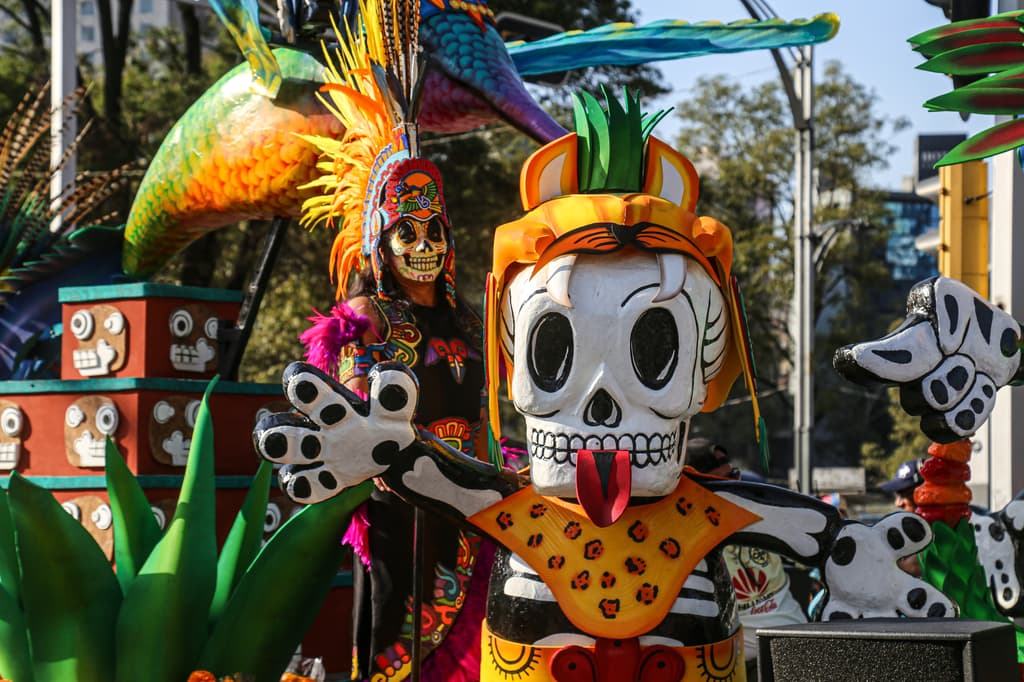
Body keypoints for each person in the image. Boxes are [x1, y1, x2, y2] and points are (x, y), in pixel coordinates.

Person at [294, 26, 489, 681]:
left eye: (435, 229)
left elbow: (484, 411)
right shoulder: (363, 321)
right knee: (390, 632)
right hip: (391, 512)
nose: (424, 244)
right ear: (380, 238)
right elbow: (339, 420)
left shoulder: (463, 320)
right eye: (408, 231)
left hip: (463, 506)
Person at [685, 438, 807, 678]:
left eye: (735, 476)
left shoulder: (758, 511)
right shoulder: (684, 534)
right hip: (738, 664)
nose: (734, 488)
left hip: (797, 646)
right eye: (721, 483)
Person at [879, 458, 926, 577]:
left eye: (905, 494)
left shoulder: (948, 528)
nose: (898, 503)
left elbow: (914, 566)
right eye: (897, 495)